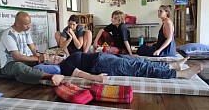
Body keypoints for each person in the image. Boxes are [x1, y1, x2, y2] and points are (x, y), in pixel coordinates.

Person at [43, 52, 203, 82]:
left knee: (140, 61)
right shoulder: (64, 66)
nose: (55, 58)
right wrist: (95, 78)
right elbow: (79, 73)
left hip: (102, 57)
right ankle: (179, 74)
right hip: (100, 64)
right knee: (138, 68)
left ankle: (171, 65)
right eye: (52, 60)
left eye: (53, 56)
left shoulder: (66, 57)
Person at [0, 12, 64, 85]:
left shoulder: (25, 32)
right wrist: (38, 59)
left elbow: (33, 49)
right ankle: (51, 76)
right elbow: (17, 57)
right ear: (17, 23)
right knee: (19, 67)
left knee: (49, 60)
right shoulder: (8, 35)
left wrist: (40, 57)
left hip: (24, 60)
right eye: (26, 24)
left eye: (29, 23)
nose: (29, 26)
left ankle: (63, 69)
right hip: (9, 64)